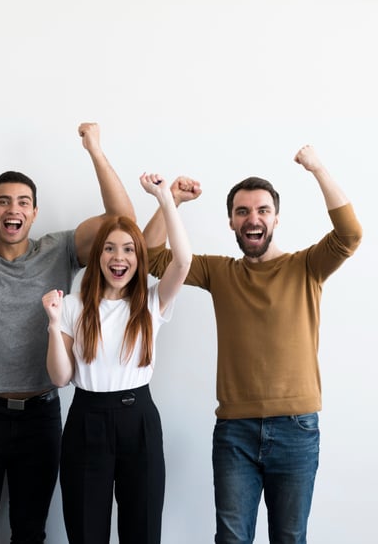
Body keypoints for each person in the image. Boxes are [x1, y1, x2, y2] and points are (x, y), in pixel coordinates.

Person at [0, 123, 135, 544]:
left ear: (34, 213)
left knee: (30, 532)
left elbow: (122, 221)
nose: (12, 209)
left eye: (22, 202)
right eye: (3, 202)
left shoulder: (58, 250)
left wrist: (94, 150)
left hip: (41, 413)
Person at [142, 145, 362, 544]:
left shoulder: (306, 267)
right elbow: (153, 257)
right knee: (230, 538)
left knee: (290, 537)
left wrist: (317, 169)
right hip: (235, 432)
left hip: (297, 429)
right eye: (242, 212)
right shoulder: (220, 272)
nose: (252, 218)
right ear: (231, 222)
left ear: (276, 218)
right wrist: (170, 200)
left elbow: (350, 235)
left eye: (262, 210)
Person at [42, 172, 192, 544]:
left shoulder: (151, 302)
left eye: (128, 249)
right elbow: (60, 378)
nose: (119, 257)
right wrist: (53, 324)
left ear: (138, 259)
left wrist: (164, 199)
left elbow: (183, 262)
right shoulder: (74, 306)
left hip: (138, 418)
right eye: (110, 248)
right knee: (86, 530)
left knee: (141, 530)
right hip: (86, 420)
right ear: (98, 256)